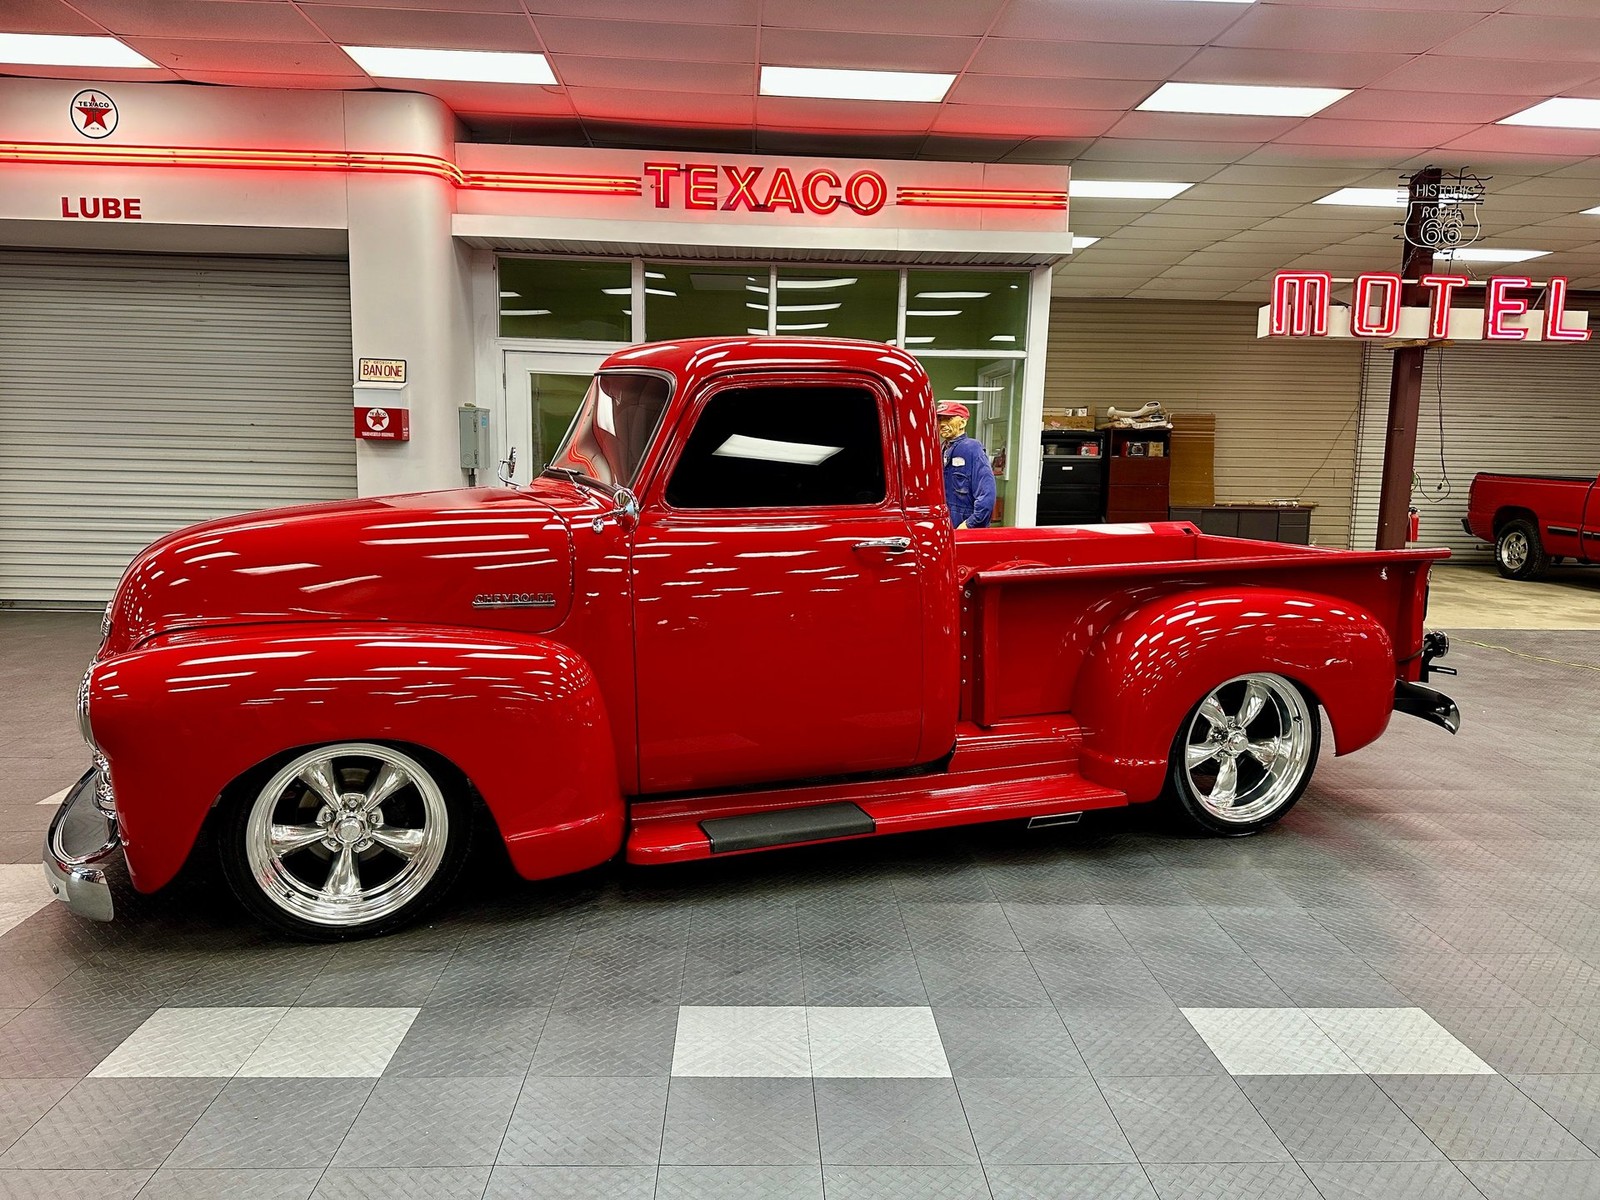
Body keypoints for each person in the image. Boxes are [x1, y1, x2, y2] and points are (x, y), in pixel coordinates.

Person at [937, 401, 995, 529]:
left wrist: (970, 524)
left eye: (948, 419)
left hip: (964, 524)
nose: (942, 424)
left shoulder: (972, 448)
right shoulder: (941, 449)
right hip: (945, 521)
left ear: (962, 423)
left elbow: (986, 493)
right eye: (940, 419)